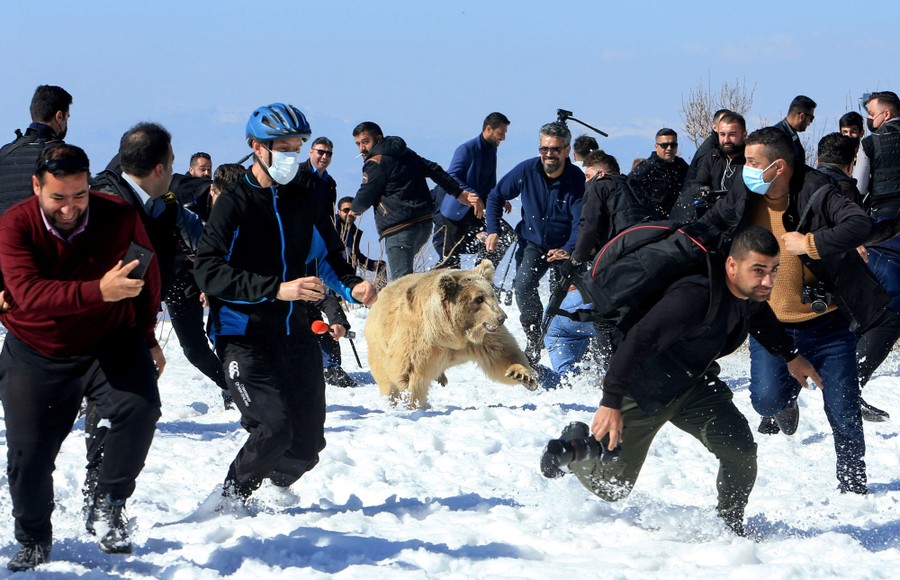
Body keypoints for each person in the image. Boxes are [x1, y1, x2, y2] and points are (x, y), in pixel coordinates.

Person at [544, 226, 814, 536]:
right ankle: (576, 447)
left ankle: (730, 524)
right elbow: (638, 340)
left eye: (773, 270)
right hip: (646, 389)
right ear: (732, 265)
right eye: (758, 270)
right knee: (613, 487)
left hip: (693, 385)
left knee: (739, 449)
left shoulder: (746, 293)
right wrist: (611, 401)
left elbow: (761, 317)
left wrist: (791, 355)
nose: (768, 280)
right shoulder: (692, 298)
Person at [194, 103, 377, 504]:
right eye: (284, 148)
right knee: (273, 428)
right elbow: (207, 271)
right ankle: (227, 500)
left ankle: (274, 490)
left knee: (307, 446)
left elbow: (329, 257)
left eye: (297, 148)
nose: (292, 157)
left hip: (294, 333)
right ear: (257, 147)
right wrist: (275, 289)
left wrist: (353, 287)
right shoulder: (235, 202)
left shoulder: (305, 198)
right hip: (243, 334)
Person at [0, 144, 163, 569]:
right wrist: (97, 291)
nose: (70, 208)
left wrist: (147, 338)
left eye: (79, 196)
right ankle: (34, 538)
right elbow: (28, 295)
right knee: (28, 454)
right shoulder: (16, 224)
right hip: (38, 347)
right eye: (58, 198)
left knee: (140, 408)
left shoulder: (120, 217)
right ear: (36, 187)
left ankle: (108, 501)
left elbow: (145, 276)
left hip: (109, 341)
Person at [698, 127, 877, 494]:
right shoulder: (744, 196)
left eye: (751, 162)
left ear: (777, 167)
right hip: (771, 326)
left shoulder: (818, 190)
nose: (744, 167)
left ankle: (854, 484)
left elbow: (860, 224)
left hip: (827, 325)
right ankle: (784, 403)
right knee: (765, 400)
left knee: (843, 411)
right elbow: (708, 226)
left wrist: (811, 242)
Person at [485, 121, 585, 362]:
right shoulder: (526, 171)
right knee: (523, 285)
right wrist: (493, 229)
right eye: (544, 149)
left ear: (567, 150)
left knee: (563, 296)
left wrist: (568, 250)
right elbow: (495, 196)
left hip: (565, 247)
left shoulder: (576, 180)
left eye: (555, 149)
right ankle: (533, 337)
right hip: (533, 243)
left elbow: (581, 222)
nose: (549, 154)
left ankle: (567, 341)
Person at [815, 132, 898, 422]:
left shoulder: (803, 182)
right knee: (885, 318)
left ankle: (775, 402)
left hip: (799, 277)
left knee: (808, 326)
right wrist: (884, 230)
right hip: (831, 272)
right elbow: (853, 227)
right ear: (851, 163)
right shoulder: (842, 188)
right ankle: (850, 386)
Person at [350, 121, 474, 279]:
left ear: (378, 138)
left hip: (399, 227)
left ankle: (435, 287)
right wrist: (457, 192)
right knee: (406, 279)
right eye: (358, 144)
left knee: (399, 285)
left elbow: (365, 195)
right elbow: (433, 168)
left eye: (365, 142)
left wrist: (355, 209)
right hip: (423, 224)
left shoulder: (376, 163)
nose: (362, 148)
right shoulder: (405, 153)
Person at [432, 112, 516, 270]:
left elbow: (488, 183)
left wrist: (499, 198)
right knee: (450, 265)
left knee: (505, 235)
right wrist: (472, 196)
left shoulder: (491, 149)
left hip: (475, 213)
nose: (503, 138)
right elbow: (451, 176)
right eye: (501, 133)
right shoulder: (466, 149)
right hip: (453, 216)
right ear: (489, 129)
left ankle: (479, 274)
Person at [0, 85, 73, 215]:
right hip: (36, 233)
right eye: (67, 118)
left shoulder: (5, 152)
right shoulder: (59, 154)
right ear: (59, 116)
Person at [671, 112, 748, 220]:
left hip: (741, 218)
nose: (726, 140)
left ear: (744, 135)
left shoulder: (751, 160)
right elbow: (698, 183)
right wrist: (703, 191)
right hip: (713, 217)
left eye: (732, 134)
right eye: (722, 134)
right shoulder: (712, 157)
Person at [628, 128, 689, 218]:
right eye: (664, 145)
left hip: (679, 218)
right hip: (656, 221)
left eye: (673, 145)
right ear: (656, 146)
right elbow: (629, 184)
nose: (669, 148)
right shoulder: (647, 167)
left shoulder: (681, 165)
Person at [336, 195, 387, 276]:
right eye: (346, 210)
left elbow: (356, 257)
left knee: (381, 266)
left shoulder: (354, 232)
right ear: (339, 212)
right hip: (328, 276)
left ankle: (383, 288)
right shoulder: (331, 226)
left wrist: (372, 265)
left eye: (353, 211)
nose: (350, 213)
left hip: (347, 276)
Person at [683, 108, 732, 188]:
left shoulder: (724, 147)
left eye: (730, 121)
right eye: (723, 122)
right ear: (715, 127)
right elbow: (701, 184)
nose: (727, 125)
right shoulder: (709, 151)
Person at [773, 95, 817, 168]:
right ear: (802, 116)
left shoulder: (791, 134)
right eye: (811, 118)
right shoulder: (777, 136)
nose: (810, 123)